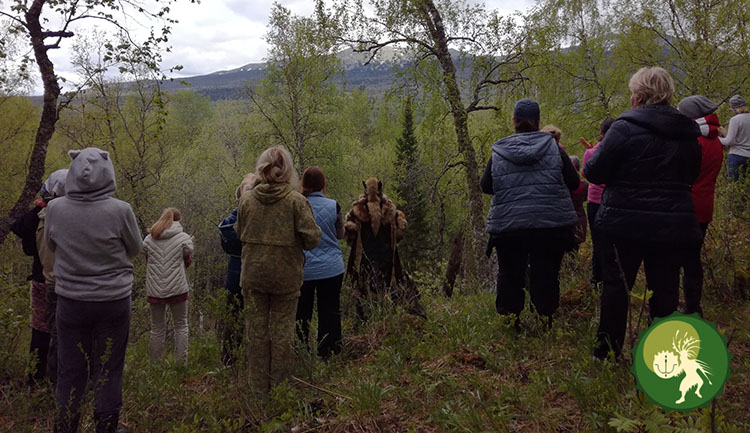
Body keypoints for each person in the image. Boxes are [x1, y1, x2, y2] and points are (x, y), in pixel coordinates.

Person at [585, 67, 702, 360]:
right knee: (664, 290)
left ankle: (607, 353)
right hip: (672, 223)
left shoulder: (623, 128)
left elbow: (593, 171)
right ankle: (662, 356)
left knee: (616, 288)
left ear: (637, 95)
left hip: (623, 224)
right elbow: (693, 174)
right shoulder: (687, 132)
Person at [45, 148, 142, 433]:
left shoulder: (55, 208)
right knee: (109, 368)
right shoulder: (120, 210)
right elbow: (135, 248)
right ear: (107, 172)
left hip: (71, 300)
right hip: (113, 300)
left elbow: (52, 246)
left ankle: (65, 428)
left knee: (70, 370)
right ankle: (106, 427)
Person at [480, 98, 580, 329]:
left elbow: (485, 186)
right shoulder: (554, 148)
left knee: (509, 274)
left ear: (513, 121)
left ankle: (510, 321)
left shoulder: (499, 151)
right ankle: (545, 320)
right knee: (545, 273)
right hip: (551, 224)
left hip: (509, 225)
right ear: (538, 122)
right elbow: (573, 182)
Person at [235, 146, 321, 393]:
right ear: (288, 170)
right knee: (282, 334)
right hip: (286, 276)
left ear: (261, 168)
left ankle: (258, 389)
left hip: (253, 274)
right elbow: (313, 239)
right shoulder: (296, 202)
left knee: (256, 333)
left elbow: (239, 233)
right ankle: (280, 389)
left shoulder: (247, 200)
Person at [344, 177, 426, 320]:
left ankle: (366, 318)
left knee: (366, 287)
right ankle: (388, 315)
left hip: (368, 259)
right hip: (384, 258)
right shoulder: (389, 212)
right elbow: (400, 235)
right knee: (389, 285)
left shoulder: (358, 212)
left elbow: (349, 237)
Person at [677, 95, 723, 315]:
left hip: (687, 207)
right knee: (692, 258)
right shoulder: (714, 140)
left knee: (679, 259)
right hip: (704, 206)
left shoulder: (696, 142)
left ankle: (686, 307)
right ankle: (694, 306)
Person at [296, 167, 346, 359]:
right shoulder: (334, 206)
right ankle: (330, 354)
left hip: (304, 269)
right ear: (323, 184)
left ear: (304, 184)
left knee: (302, 314)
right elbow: (340, 234)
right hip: (332, 268)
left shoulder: (298, 204)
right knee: (330, 312)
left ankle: (301, 354)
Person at [10, 180, 53, 386]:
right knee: (64, 331)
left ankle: (35, 378)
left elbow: (17, 226)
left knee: (40, 329)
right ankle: (52, 378)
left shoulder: (35, 217)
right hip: (64, 282)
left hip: (39, 278)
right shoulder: (64, 215)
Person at [143, 208, 194, 363]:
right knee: (181, 326)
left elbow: (147, 260)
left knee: (157, 328)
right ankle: (181, 364)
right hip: (178, 287)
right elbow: (187, 262)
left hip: (155, 289)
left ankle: (155, 365)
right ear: (178, 221)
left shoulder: (149, 239)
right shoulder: (183, 238)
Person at [218, 173, 259, 366]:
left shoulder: (229, 222)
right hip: (257, 276)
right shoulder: (263, 219)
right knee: (255, 321)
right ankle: (251, 361)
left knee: (233, 322)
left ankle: (229, 362)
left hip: (235, 275)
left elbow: (226, 247)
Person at [36, 169, 68, 384]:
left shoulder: (46, 216)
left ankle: (56, 384)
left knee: (57, 335)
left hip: (54, 281)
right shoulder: (54, 217)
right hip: (62, 282)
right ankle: (59, 384)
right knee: (60, 336)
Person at [581, 117, 615, 286]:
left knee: (597, 242)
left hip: (595, 201)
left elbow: (585, 174)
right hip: (615, 201)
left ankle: (597, 279)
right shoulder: (620, 150)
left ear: (601, 133)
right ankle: (612, 277)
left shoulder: (591, 153)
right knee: (614, 240)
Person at [719, 95, 750, 181]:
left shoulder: (735, 120)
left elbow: (729, 141)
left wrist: (717, 139)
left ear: (733, 108)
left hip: (737, 156)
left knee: (734, 185)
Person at [568, 155, 589, 249]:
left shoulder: (564, 184)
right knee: (575, 247)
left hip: (565, 219)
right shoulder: (584, 185)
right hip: (579, 217)